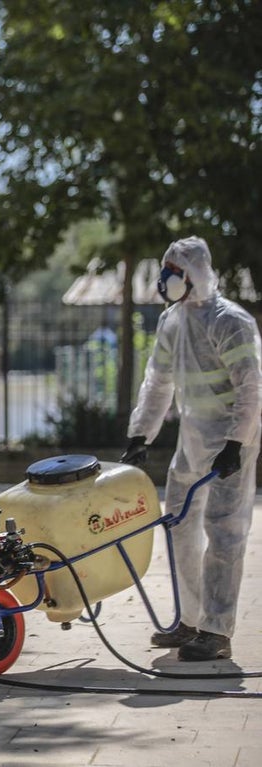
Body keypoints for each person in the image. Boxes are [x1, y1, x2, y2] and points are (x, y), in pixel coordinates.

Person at [120, 235, 262, 661]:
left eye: (173, 272)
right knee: (179, 524)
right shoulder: (171, 322)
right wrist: (140, 434)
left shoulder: (230, 321)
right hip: (193, 440)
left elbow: (251, 388)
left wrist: (237, 443)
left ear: (194, 275)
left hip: (230, 444)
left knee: (224, 531)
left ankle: (216, 632)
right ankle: (191, 620)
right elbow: (157, 382)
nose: (165, 280)